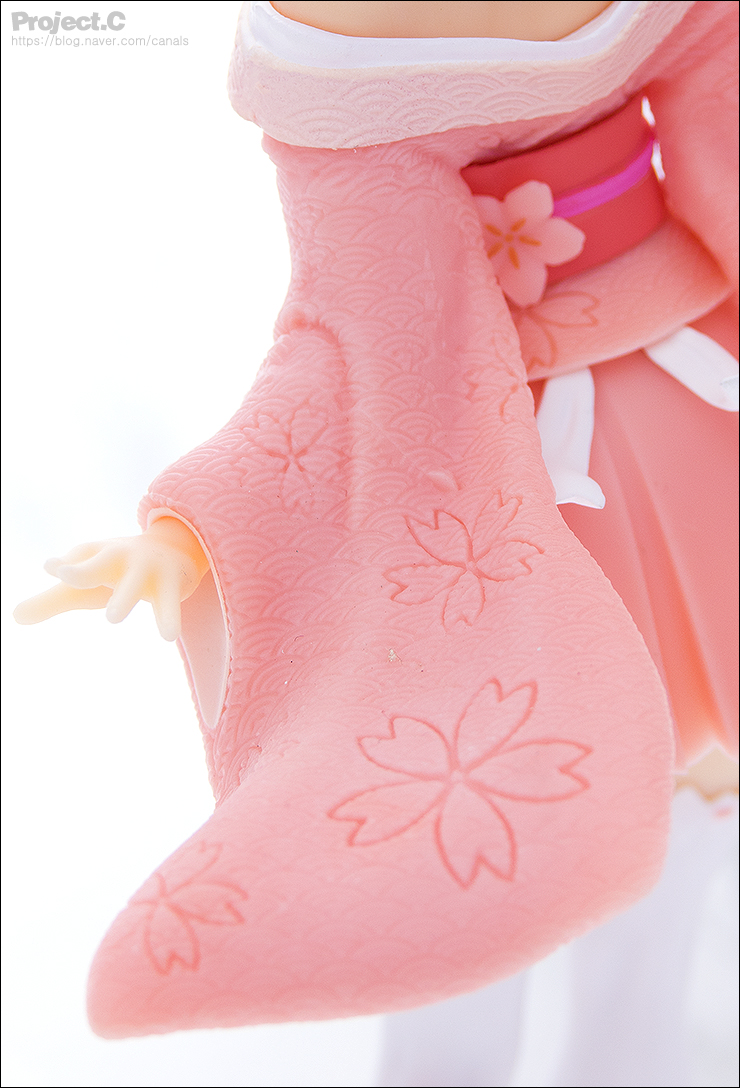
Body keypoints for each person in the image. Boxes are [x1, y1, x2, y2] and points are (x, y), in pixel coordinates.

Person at [15, 2, 738, 1072]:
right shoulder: (353, 118)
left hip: (698, 397)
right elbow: (338, 347)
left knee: (691, 796)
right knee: (501, 811)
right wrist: (192, 526)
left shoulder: (686, 39)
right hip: (508, 468)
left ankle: (627, 1050)